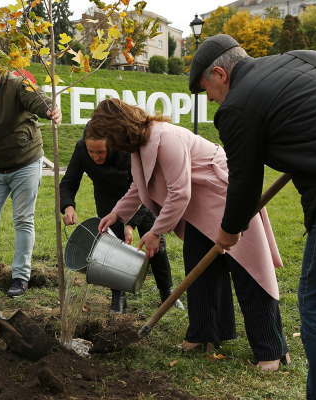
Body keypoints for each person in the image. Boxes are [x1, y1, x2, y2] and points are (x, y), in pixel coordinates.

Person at [188, 34, 316, 399]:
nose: (211, 99)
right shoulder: (308, 58)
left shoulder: (237, 107)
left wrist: (230, 231)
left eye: (206, 89)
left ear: (220, 73)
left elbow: (244, 180)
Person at [94, 98, 290, 371]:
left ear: (121, 128)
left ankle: (272, 350)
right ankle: (204, 335)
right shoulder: (137, 147)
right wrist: (117, 213)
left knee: (249, 274)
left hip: (226, 200)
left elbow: (179, 192)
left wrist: (155, 232)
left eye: (110, 137)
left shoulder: (166, 138)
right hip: (196, 211)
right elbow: (140, 187)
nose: (111, 145)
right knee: (200, 271)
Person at [0, 51, 62, 298]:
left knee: (23, 220)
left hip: (25, 161)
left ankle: (20, 276)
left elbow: (37, 99)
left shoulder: (16, 84)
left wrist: (50, 109)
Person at [59, 124, 184, 313]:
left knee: (155, 244)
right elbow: (69, 181)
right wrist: (68, 206)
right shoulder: (81, 149)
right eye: (91, 151)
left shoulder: (127, 151)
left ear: (111, 145)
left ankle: (167, 293)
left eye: (101, 151)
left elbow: (143, 186)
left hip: (141, 195)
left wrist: (131, 223)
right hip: (107, 197)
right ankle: (118, 296)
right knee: (110, 245)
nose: (95, 157)